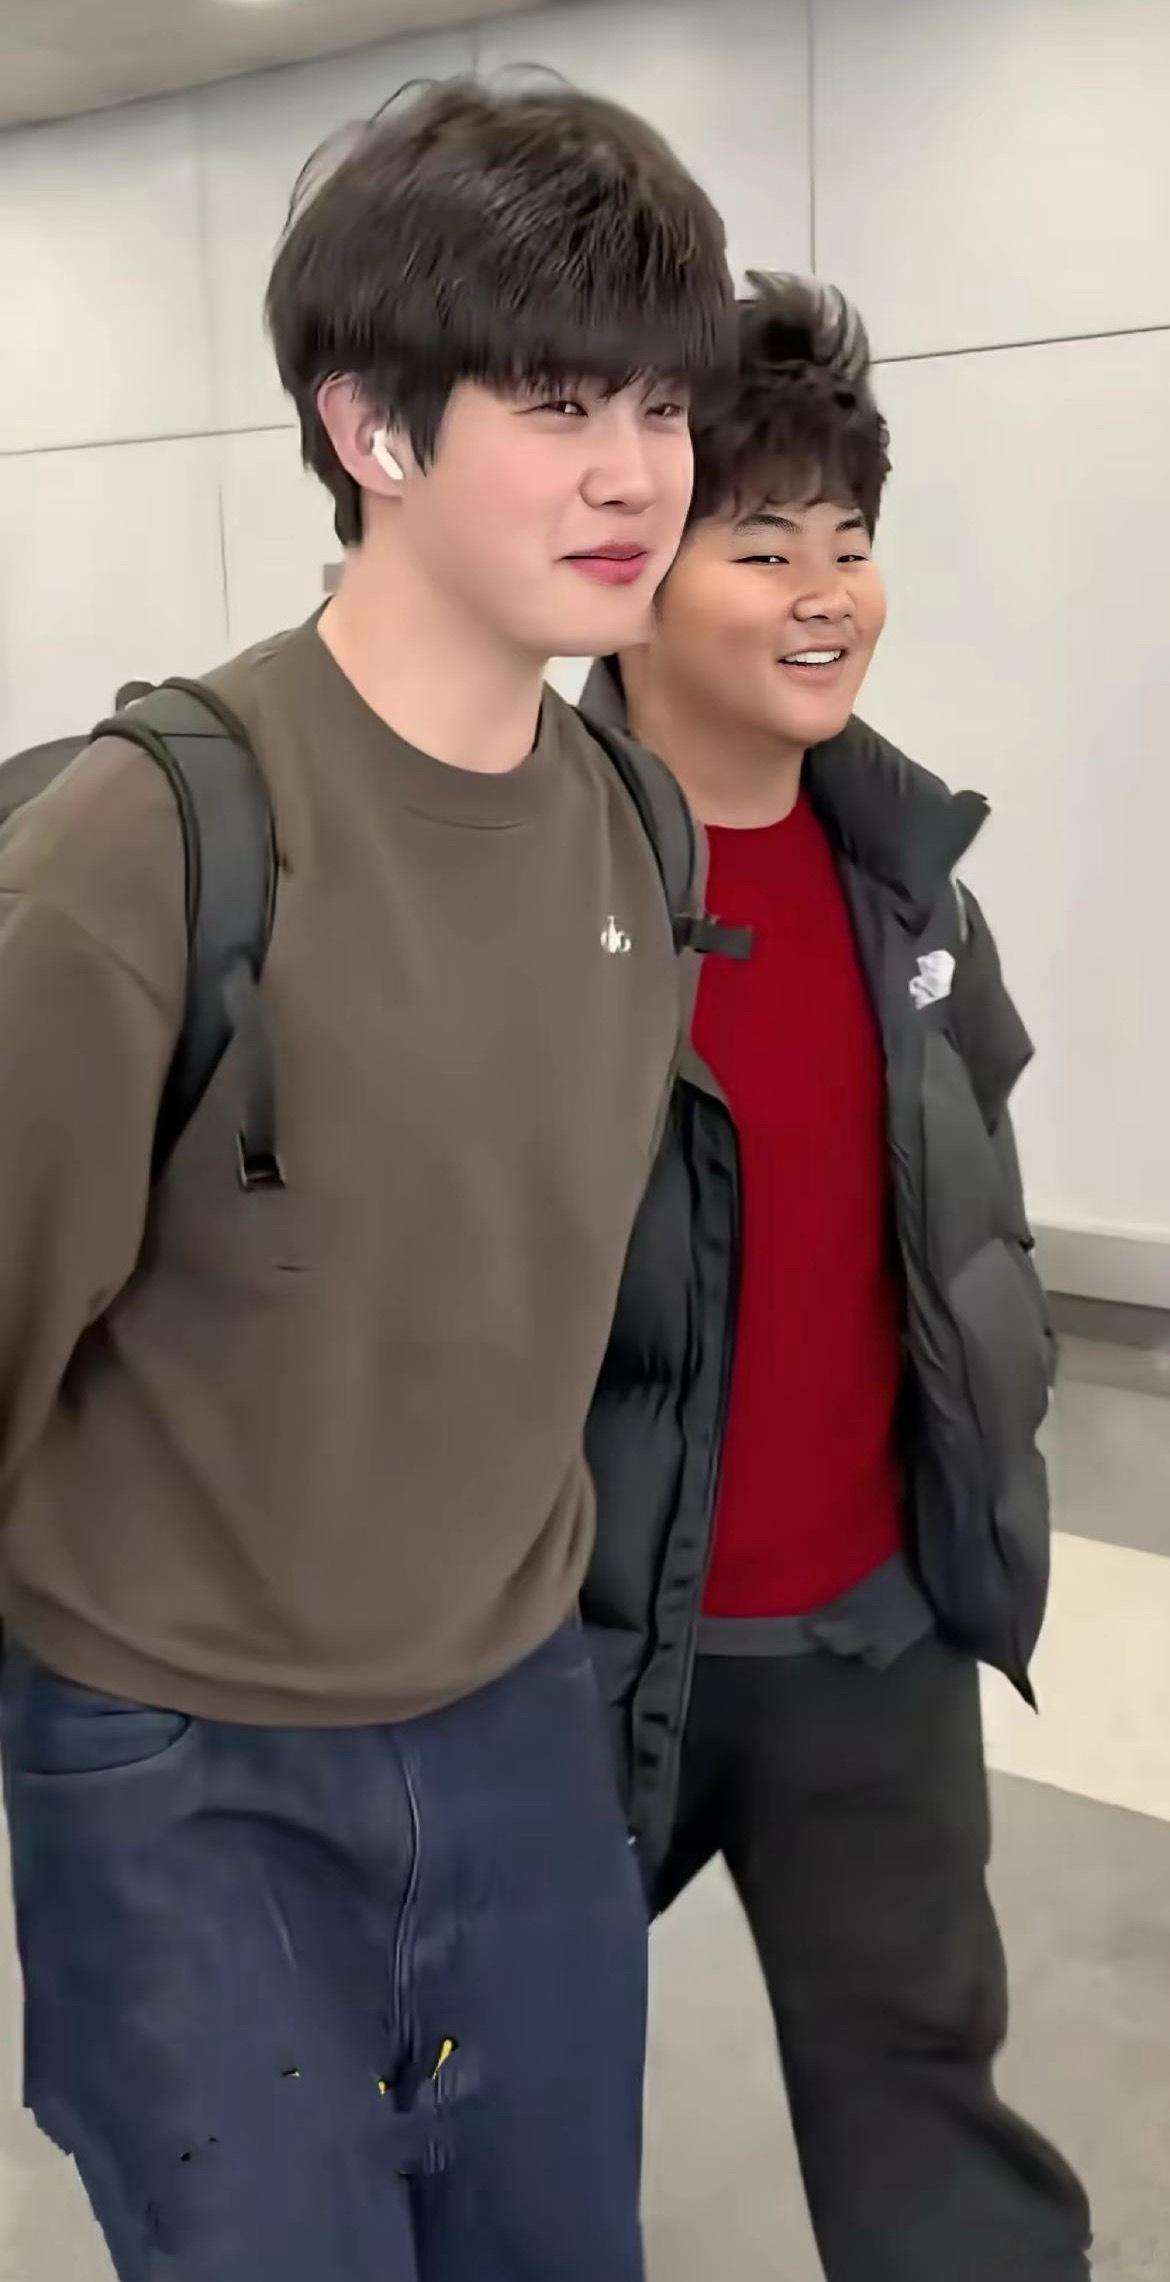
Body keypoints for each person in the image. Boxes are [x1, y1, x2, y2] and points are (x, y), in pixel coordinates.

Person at [0, 79, 732, 2282]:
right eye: (555, 402)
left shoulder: (636, 827)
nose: (635, 472)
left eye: (661, 403)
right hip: (182, 1777)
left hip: (516, 1732)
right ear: (371, 430)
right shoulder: (145, 847)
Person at [580, 272, 1093, 2282]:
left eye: (849, 539)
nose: (824, 594)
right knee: (475, 2131)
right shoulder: (519, 880)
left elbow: (971, 1220)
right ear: (630, 572)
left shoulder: (908, 883)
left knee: (934, 2139)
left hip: (868, 1648)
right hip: (571, 1659)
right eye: (761, 544)